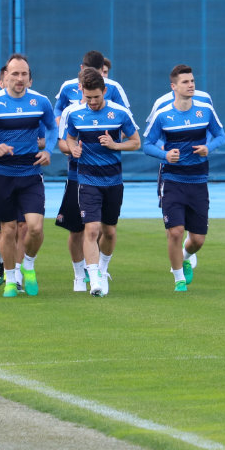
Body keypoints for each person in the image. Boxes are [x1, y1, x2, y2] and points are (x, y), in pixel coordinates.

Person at [0, 54, 57, 298]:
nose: (19, 78)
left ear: (30, 78)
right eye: (15, 74)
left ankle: (27, 265)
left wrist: (49, 151)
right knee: (8, 230)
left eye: (24, 74)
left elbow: (52, 128)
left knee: (35, 228)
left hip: (31, 171)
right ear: (5, 77)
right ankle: (10, 279)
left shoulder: (41, 102)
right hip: (2, 173)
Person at [142, 65, 225, 291]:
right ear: (174, 87)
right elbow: (147, 144)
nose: (191, 85)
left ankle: (186, 256)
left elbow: (221, 136)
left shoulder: (205, 109)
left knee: (198, 239)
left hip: (198, 180)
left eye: (192, 81)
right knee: (176, 231)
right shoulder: (163, 114)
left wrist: (208, 148)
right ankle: (178, 279)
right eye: (185, 82)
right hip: (172, 180)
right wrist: (165, 155)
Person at [54, 51, 130, 291]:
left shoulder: (116, 96)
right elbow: (63, 136)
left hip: (111, 176)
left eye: (96, 96)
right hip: (79, 175)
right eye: (88, 96)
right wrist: (72, 147)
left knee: (107, 230)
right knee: (81, 229)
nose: (92, 101)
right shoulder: (70, 101)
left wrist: (114, 144)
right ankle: (82, 276)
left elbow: (129, 131)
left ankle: (100, 271)